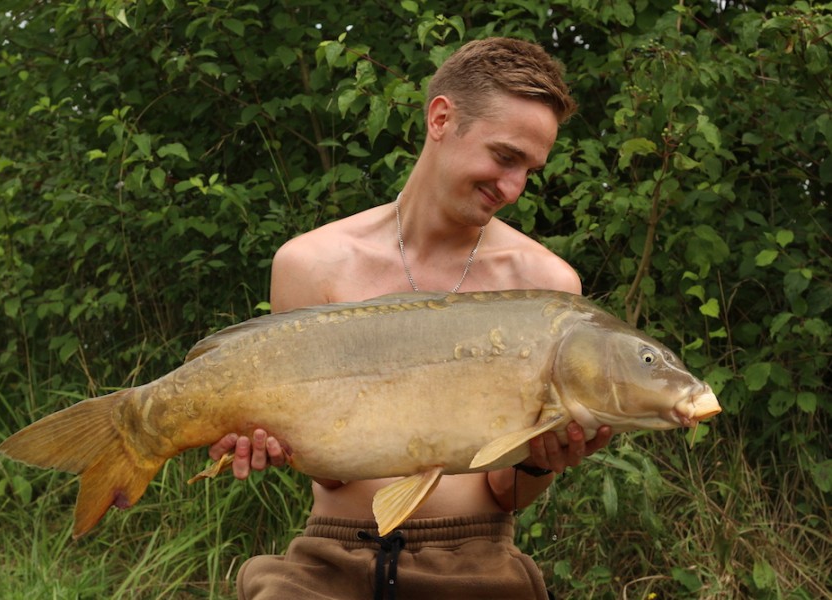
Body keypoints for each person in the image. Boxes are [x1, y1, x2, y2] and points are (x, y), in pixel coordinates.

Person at [210, 37, 613, 600]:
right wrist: (280, 441)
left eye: (530, 170)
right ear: (441, 118)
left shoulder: (544, 288)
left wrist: (540, 465)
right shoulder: (311, 263)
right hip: (330, 560)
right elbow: (331, 471)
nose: (515, 188)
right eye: (504, 157)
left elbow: (504, 493)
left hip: (477, 562)